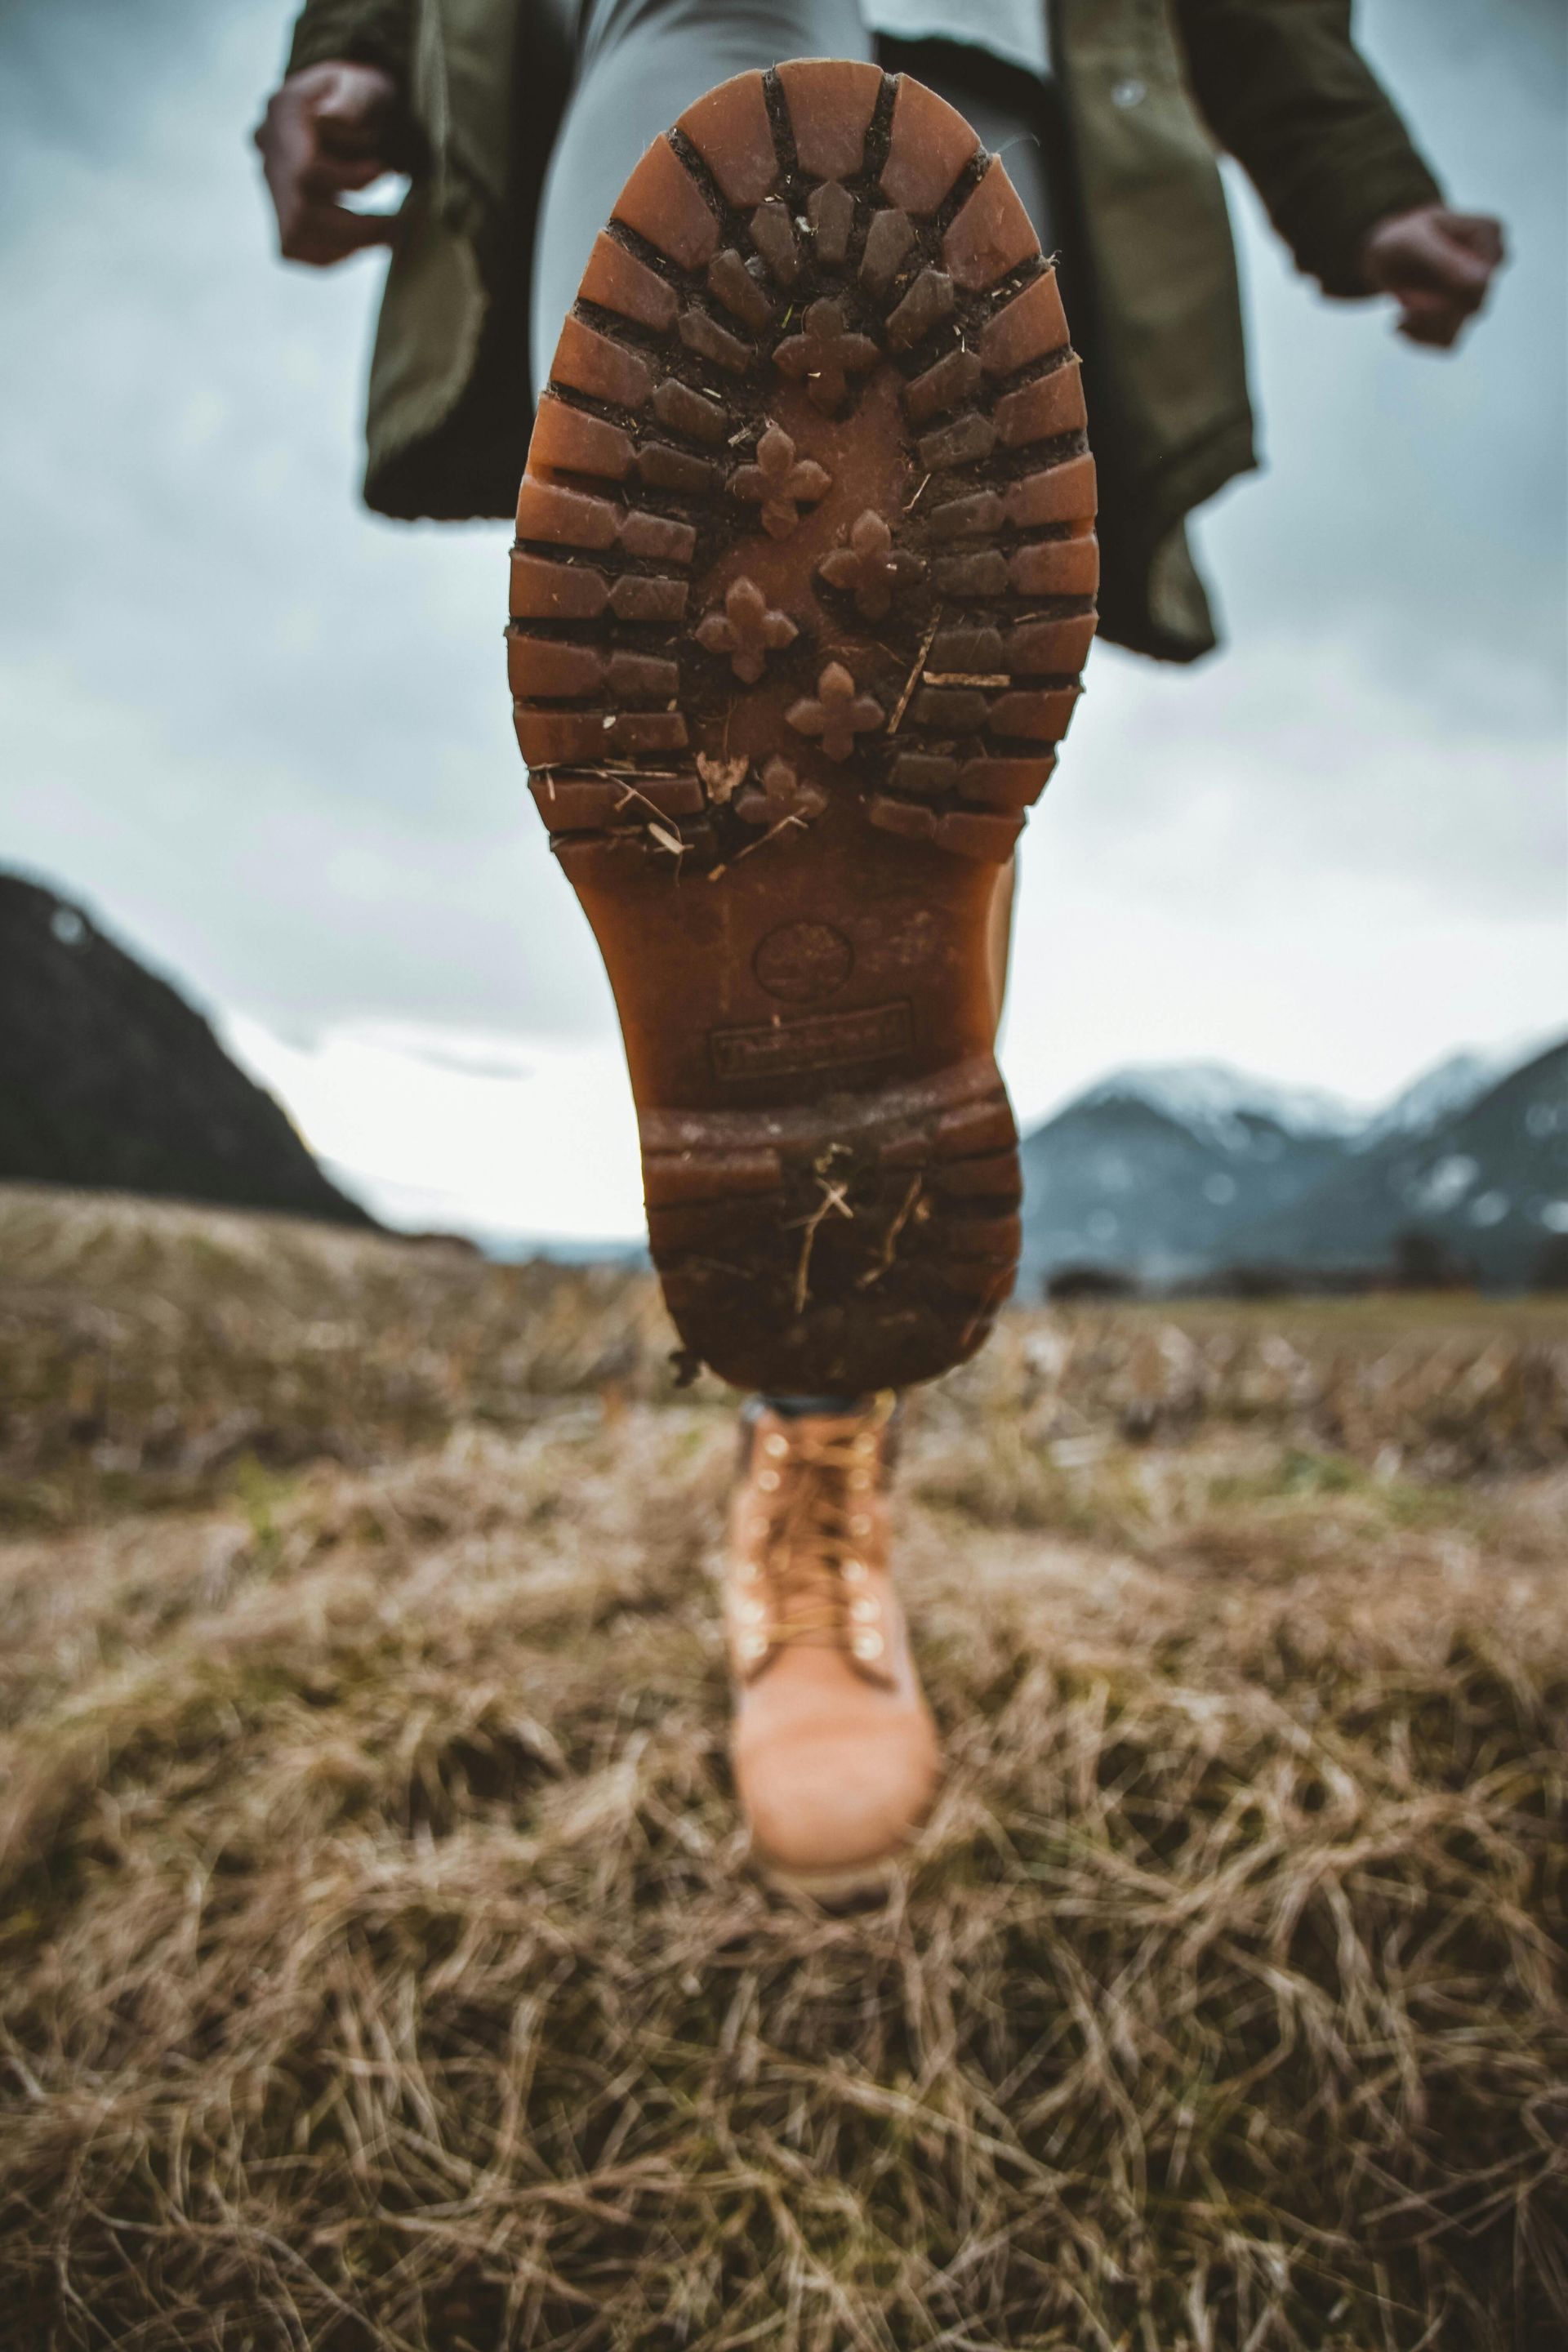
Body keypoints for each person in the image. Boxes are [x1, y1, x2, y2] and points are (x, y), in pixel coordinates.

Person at [257, 2, 1503, 1900]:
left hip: (1005, 69)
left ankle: (817, 1438)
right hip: (654, 23)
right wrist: (360, 47)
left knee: (906, 750)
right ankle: (817, 1443)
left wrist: (1366, 191)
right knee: (771, 624)